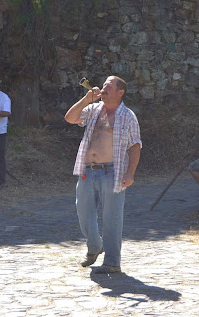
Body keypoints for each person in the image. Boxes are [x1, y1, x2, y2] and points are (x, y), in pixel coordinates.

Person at [65, 75, 142, 275]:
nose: (103, 88)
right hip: (87, 171)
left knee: (112, 218)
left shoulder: (127, 116)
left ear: (120, 92)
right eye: (104, 85)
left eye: (109, 86)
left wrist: (130, 173)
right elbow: (70, 118)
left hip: (112, 171)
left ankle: (112, 262)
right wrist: (86, 99)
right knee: (83, 213)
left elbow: (135, 146)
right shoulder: (93, 109)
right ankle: (95, 246)